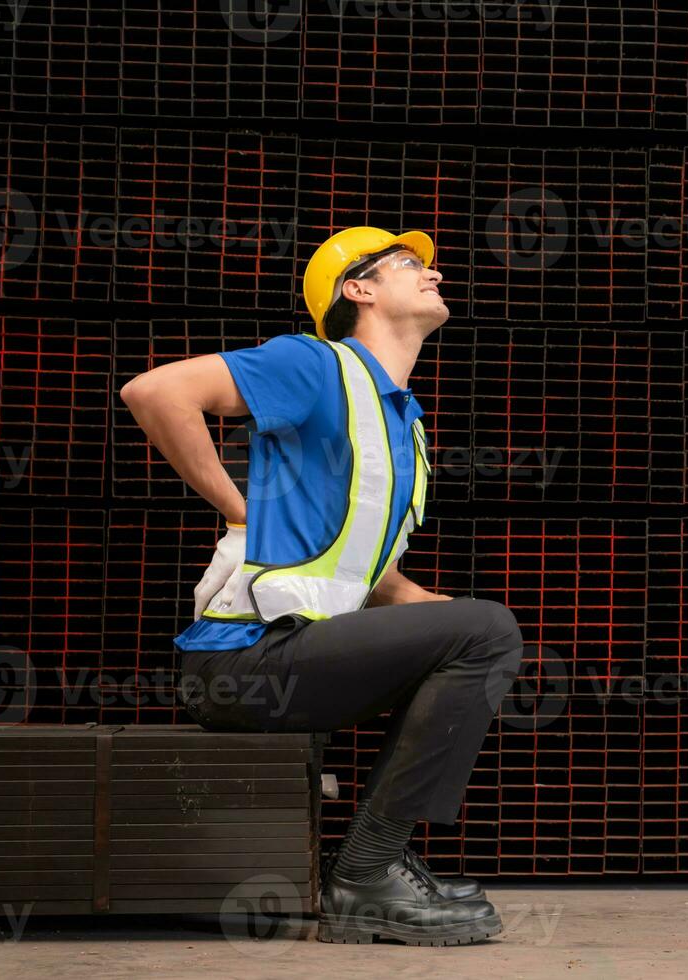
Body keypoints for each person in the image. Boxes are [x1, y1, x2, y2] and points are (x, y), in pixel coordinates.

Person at [119, 226, 527, 947]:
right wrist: (241, 511)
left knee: (480, 633)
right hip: (242, 663)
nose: (433, 274)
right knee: (485, 631)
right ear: (358, 290)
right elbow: (155, 392)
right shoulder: (315, 365)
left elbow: (368, 572)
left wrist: (449, 618)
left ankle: (381, 859)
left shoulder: (402, 420)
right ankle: (365, 873)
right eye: (409, 265)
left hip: (297, 653)